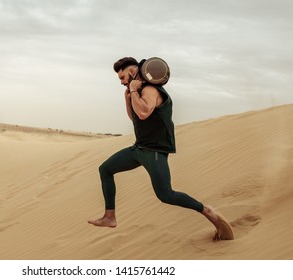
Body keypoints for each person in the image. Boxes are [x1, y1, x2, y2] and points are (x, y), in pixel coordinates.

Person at [88, 57, 233, 240]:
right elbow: (135, 118)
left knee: (166, 194)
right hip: (139, 149)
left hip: (154, 152)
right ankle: (110, 216)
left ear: (132, 72)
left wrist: (133, 90)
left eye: (123, 77)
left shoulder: (150, 90)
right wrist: (129, 95)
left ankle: (207, 211)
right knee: (105, 169)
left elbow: (142, 113)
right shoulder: (136, 91)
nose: (122, 82)